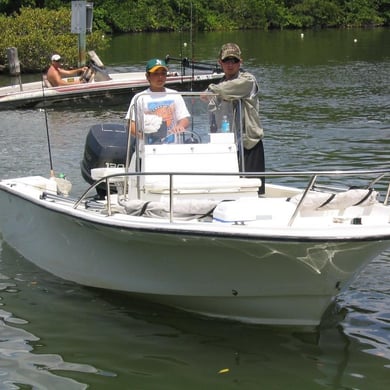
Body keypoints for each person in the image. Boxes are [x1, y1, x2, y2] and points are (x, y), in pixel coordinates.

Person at [205, 43, 265, 194]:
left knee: (253, 191)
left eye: (234, 61)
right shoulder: (219, 84)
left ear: (240, 62)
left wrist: (210, 91)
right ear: (220, 63)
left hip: (248, 144)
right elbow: (213, 110)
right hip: (227, 145)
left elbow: (228, 89)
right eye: (226, 61)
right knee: (228, 188)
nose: (230, 65)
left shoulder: (248, 80)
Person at [125, 58, 190, 144]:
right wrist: (143, 137)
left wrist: (180, 126)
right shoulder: (139, 98)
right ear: (147, 76)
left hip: (173, 147)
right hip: (148, 149)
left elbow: (184, 118)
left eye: (163, 73)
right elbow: (131, 125)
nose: (160, 77)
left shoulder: (175, 95)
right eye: (156, 74)